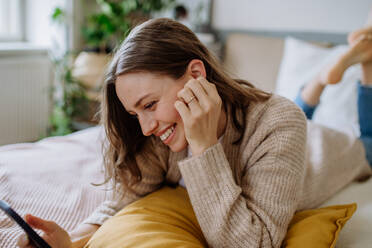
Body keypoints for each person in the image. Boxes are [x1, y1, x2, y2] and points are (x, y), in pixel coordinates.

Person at [18, 18, 372, 248]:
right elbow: (124, 201)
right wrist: (71, 241)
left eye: (150, 104)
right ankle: (321, 81)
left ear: (197, 76)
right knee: (299, 106)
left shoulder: (279, 123)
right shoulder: (160, 135)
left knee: (366, 141)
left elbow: (252, 244)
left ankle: (360, 66)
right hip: (282, 122)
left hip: (327, 148)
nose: (145, 126)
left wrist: (204, 146)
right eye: (134, 112)